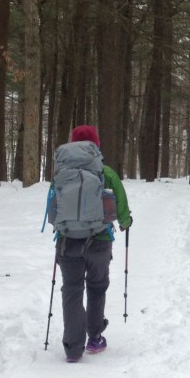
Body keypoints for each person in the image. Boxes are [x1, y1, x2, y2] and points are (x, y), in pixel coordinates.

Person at [55, 124, 132, 363]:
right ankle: (95, 336)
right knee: (97, 286)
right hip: (99, 240)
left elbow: (53, 205)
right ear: (96, 145)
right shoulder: (105, 172)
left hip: (68, 241)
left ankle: (72, 348)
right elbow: (120, 204)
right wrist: (126, 221)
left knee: (72, 290)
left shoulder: (61, 172)